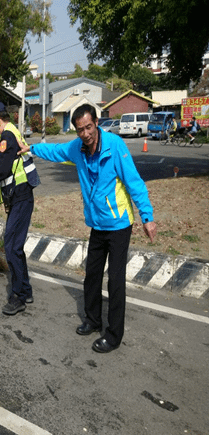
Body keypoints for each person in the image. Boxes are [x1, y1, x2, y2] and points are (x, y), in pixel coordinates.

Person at [17, 104, 157, 353]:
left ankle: (113, 335)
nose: (85, 134)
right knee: (92, 275)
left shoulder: (115, 147)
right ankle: (93, 321)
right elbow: (57, 150)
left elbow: (134, 182)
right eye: (80, 129)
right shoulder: (77, 148)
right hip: (97, 223)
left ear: (97, 123)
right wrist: (33, 148)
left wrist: (147, 217)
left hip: (119, 224)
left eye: (89, 127)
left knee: (115, 280)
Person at [0, 102, 40, 316]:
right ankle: (25, 289)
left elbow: (3, 169)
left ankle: (18, 297)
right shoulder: (14, 133)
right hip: (20, 196)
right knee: (16, 246)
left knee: (11, 245)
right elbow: (12, 174)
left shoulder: (7, 135)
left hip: (21, 198)